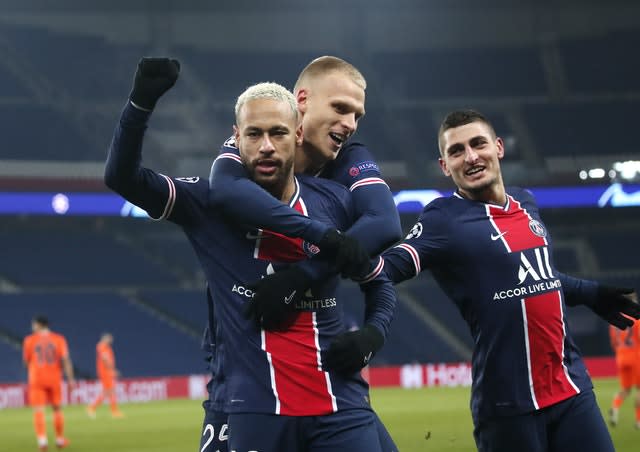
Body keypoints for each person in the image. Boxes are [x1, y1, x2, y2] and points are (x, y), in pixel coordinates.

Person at [104, 58, 396, 452]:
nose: (266, 146)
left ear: (296, 134)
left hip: (338, 401)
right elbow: (123, 178)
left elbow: (378, 270)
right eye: (254, 135)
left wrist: (372, 334)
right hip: (244, 399)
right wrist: (139, 104)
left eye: (278, 134)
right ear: (235, 139)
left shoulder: (337, 199)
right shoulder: (208, 200)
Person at [377, 109, 640, 452]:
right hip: (507, 408)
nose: (470, 157)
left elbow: (539, 276)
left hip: (571, 389)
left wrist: (591, 292)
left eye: (478, 144)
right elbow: (386, 268)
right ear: (445, 166)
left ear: (498, 147)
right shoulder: (442, 220)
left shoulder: (526, 203)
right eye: (456, 151)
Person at [206, 55, 401, 451]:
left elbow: (384, 221)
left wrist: (301, 277)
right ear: (302, 102)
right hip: (240, 362)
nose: (350, 123)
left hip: (318, 367)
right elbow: (223, 189)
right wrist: (324, 242)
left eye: (358, 115)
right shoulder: (254, 142)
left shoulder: (348, 157)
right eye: (341, 108)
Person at [22, 315, 75, 451]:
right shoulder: (59, 339)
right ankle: (59, 439)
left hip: (36, 379)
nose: (32, 327)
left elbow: (26, 362)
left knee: (39, 410)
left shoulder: (29, 340)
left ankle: (42, 441)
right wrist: (70, 379)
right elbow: (65, 360)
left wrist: (33, 370)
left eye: (33, 324)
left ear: (39, 325)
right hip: (54, 378)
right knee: (57, 408)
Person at [608, 316, 640, 428]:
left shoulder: (613, 321)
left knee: (626, 389)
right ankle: (638, 420)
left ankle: (615, 408)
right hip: (635, 357)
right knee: (639, 389)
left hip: (621, 357)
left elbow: (613, 342)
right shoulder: (636, 320)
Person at [86, 332, 124, 419]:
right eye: (110, 339)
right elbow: (105, 359)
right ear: (105, 338)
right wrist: (112, 370)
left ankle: (93, 408)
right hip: (105, 372)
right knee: (110, 391)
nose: (111, 341)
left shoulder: (105, 347)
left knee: (108, 392)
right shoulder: (102, 346)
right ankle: (112, 411)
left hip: (106, 371)